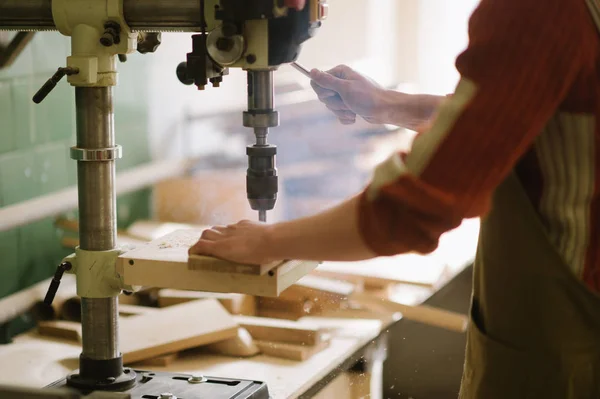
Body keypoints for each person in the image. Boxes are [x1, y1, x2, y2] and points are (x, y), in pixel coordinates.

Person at [191, 0, 600, 397]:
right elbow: (511, 110)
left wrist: (265, 242)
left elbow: (409, 211)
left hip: (567, 353)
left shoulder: (538, 10)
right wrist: (387, 104)